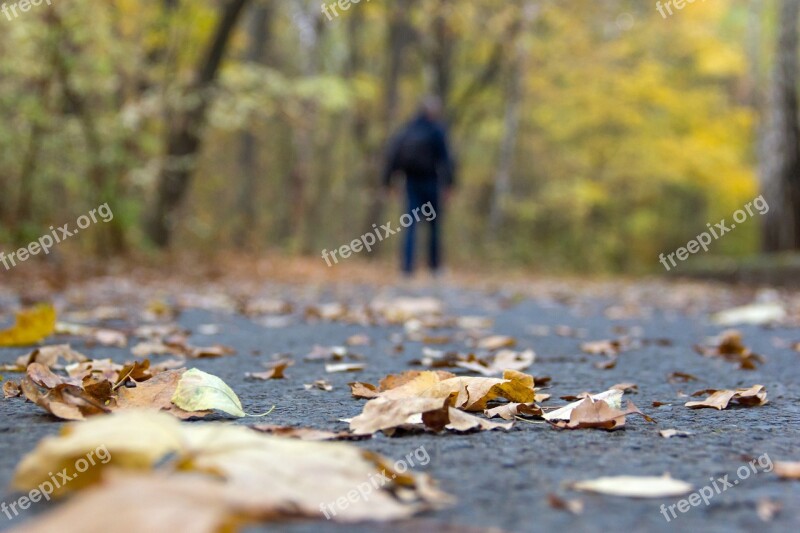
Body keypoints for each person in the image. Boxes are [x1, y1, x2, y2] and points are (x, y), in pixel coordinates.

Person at [383, 97, 456, 276]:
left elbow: (393, 155)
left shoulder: (407, 129)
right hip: (431, 182)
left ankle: (407, 268)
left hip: (411, 183)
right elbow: (446, 159)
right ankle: (434, 267)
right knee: (433, 226)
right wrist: (449, 184)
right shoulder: (436, 130)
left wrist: (387, 182)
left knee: (410, 225)